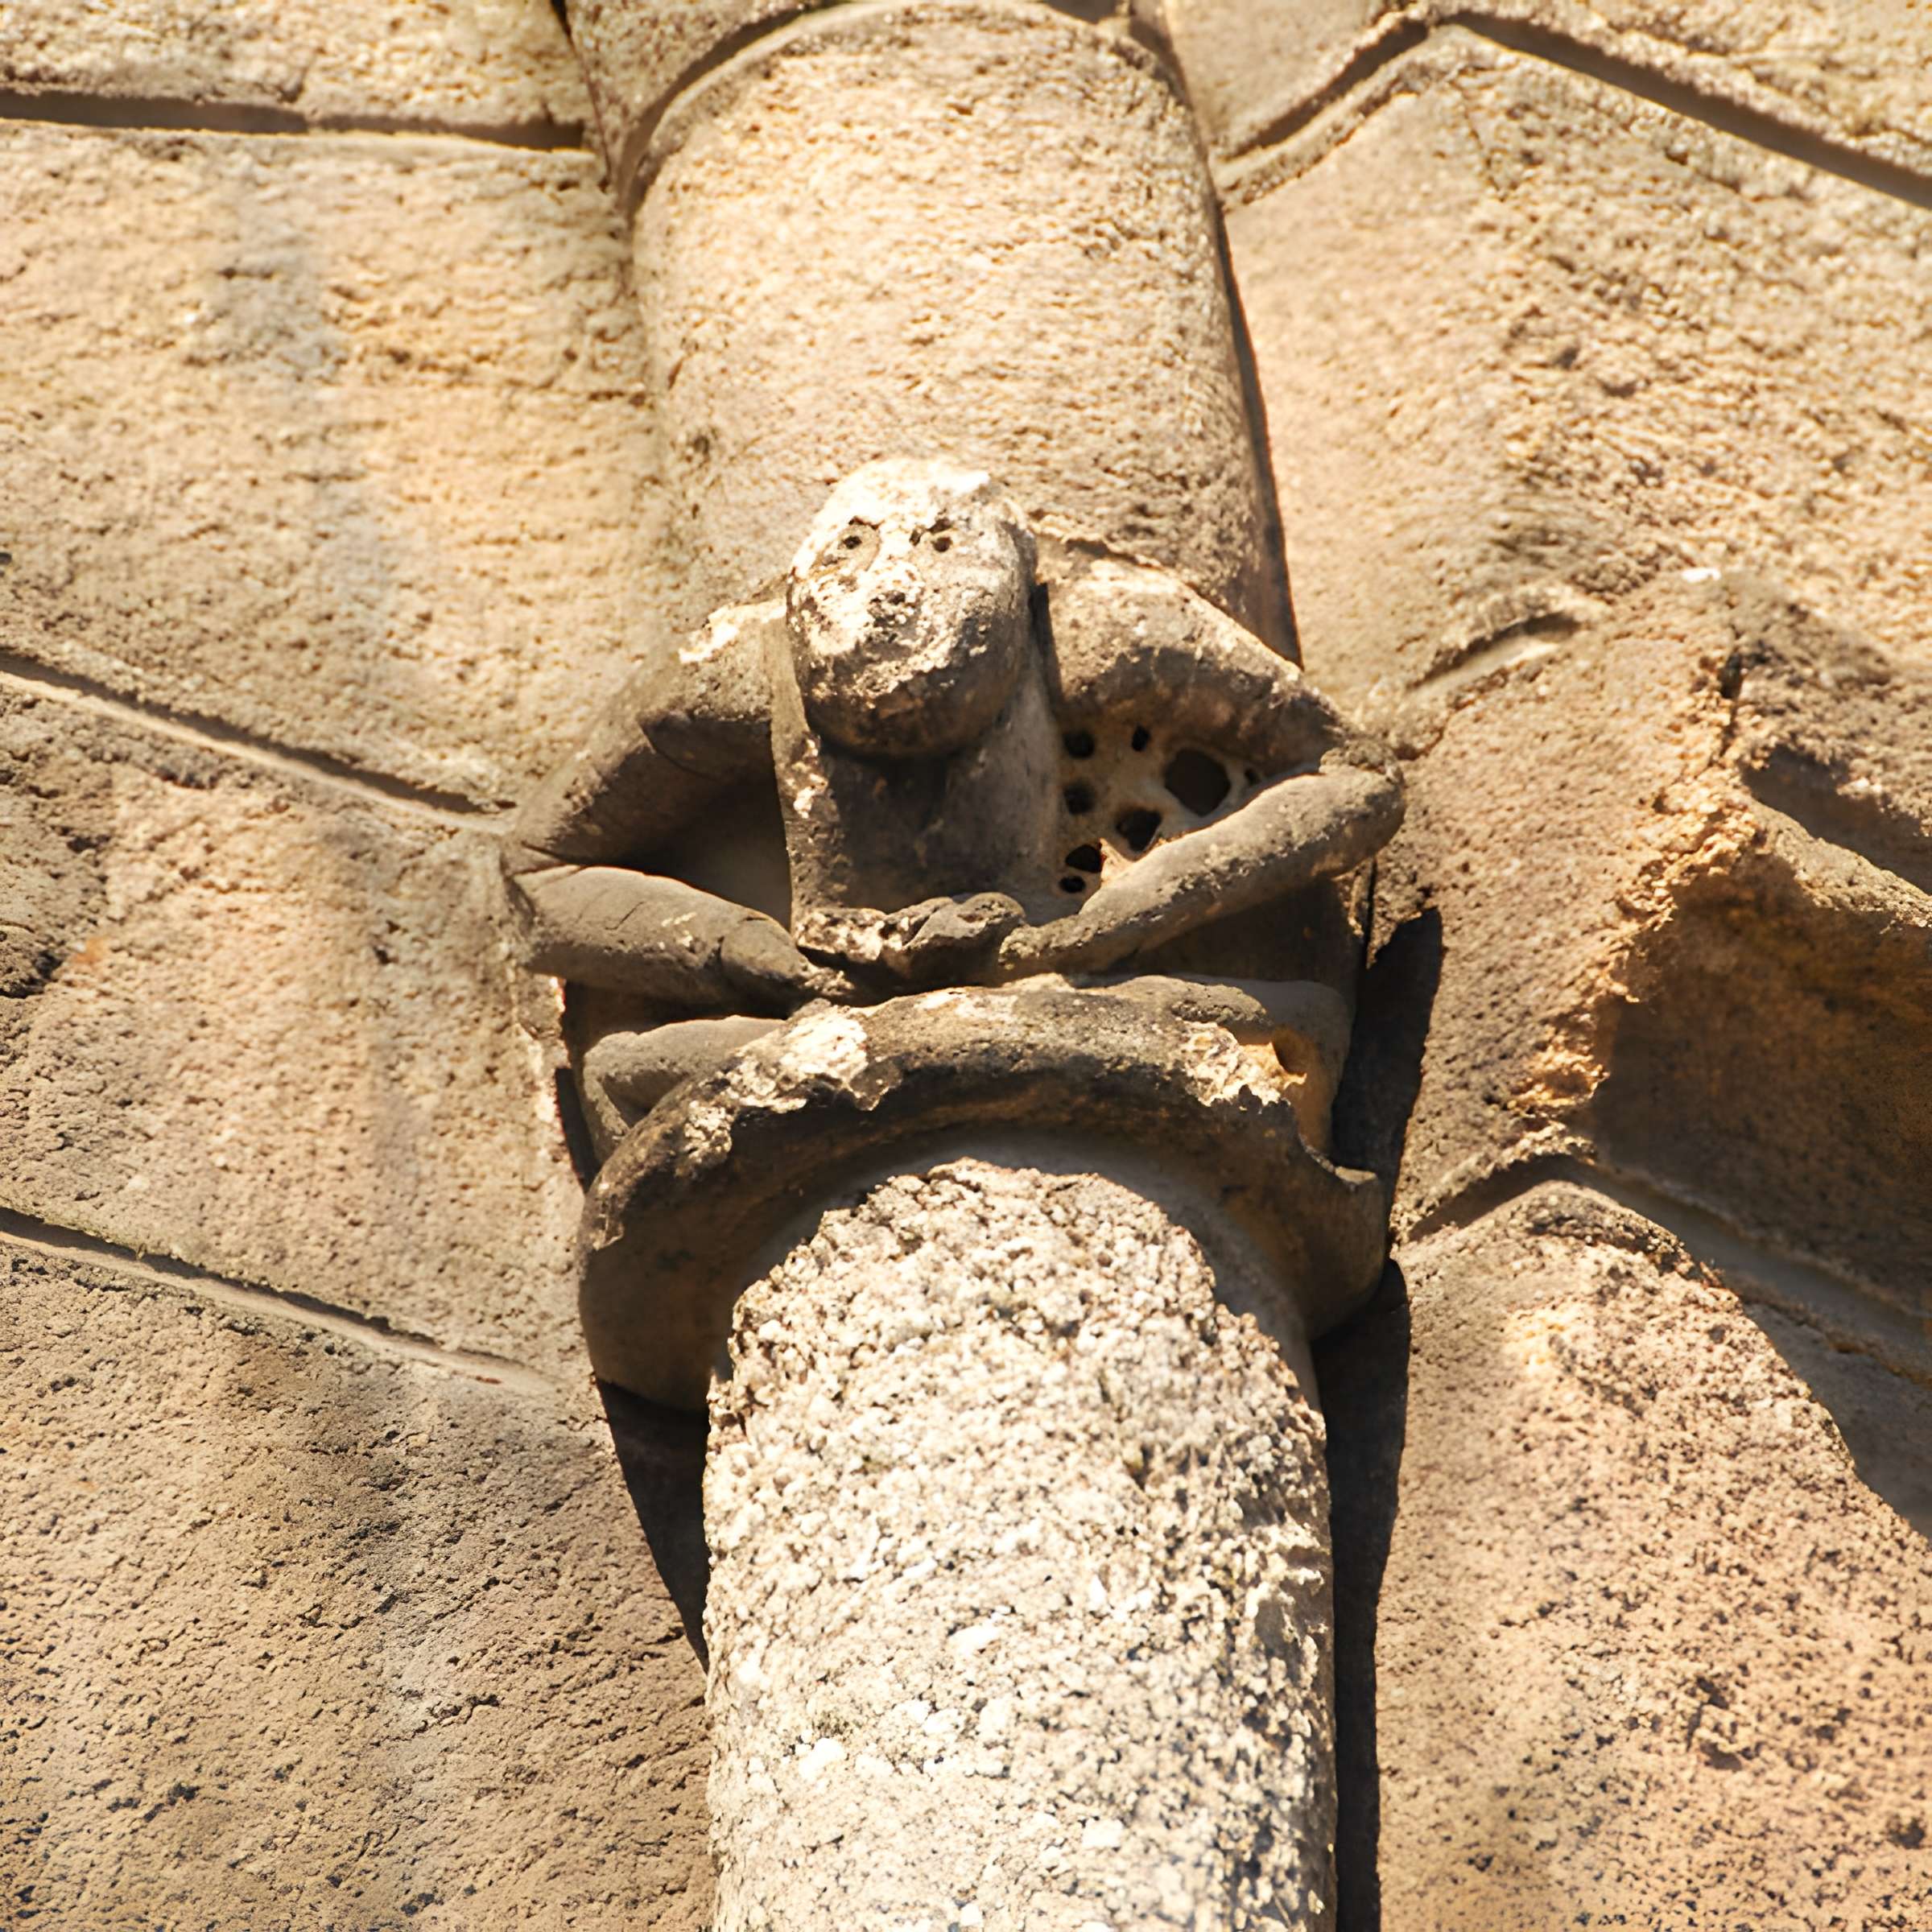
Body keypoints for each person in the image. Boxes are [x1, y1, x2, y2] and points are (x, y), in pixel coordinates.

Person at [503, 460, 1403, 1158]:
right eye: (852, 547)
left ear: (1017, 581)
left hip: (1066, 979)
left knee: (1292, 1032)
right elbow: (537, 875)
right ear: (797, 581)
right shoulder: (743, 674)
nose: (890, 583)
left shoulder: (1088, 634)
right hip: (822, 1009)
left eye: (939, 544)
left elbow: (1351, 773)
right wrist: (754, 957)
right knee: (628, 1078)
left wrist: (1132, 910)